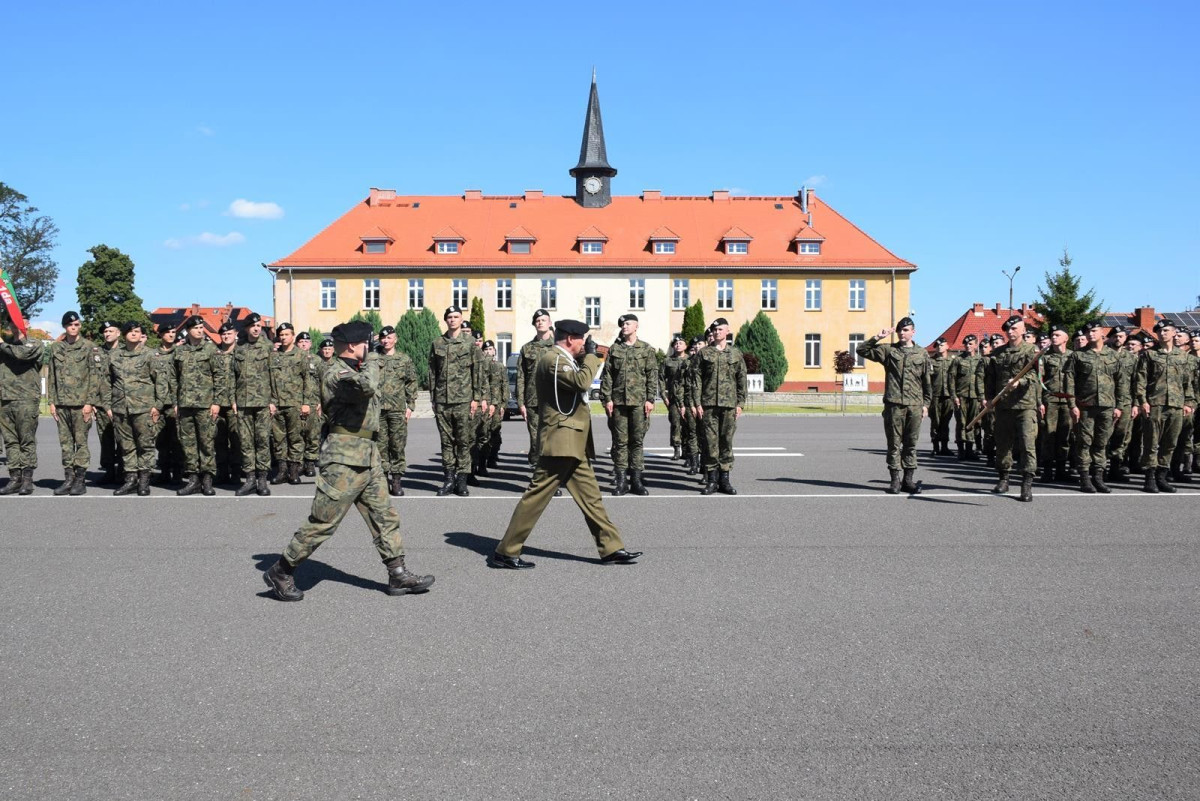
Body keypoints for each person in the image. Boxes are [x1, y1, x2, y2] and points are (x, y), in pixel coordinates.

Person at [262, 321, 434, 601]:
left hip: (368, 455)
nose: (371, 348)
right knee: (323, 522)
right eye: (368, 343)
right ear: (355, 345)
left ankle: (397, 573)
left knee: (385, 516)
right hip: (343, 460)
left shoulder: (356, 369)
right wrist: (374, 359)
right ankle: (281, 571)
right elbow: (367, 387)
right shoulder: (335, 373)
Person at [488, 319, 641, 569]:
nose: (584, 344)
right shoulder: (554, 359)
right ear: (570, 338)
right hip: (561, 441)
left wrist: (588, 356)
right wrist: (592, 356)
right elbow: (582, 382)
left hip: (572, 441)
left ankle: (611, 548)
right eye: (582, 339)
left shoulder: (563, 359)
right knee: (536, 498)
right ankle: (506, 551)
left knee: (591, 498)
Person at [856, 316, 931, 494]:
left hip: (915, 405)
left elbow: (927, 381)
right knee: (894, 444)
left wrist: (926, 404)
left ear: (913, 332)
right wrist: (878, 337)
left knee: (911, 444)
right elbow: (861, 350)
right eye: (899, 330)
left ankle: (908, 480)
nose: (901, 333)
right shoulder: (889, 350)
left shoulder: (922, 353)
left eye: (905, 330)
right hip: (894, 405)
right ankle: (895, 480)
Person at [1064, 320, 1128, 494]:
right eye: (1087, 332)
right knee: (1084, 442)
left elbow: (1121, 383)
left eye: (1094, 331)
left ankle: (1098, 477)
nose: (1090, 334)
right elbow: (1069, 382)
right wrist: (1072, 405)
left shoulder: (1113, 356)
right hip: (1085, 406)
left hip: (1107, 406)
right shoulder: (1078, 355)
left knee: (1102, 442)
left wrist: (1119, 406)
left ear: (1102, 332)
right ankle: (1085, 478)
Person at [1133, 319, 1196, 493]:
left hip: (1176, 405)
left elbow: (1187, 382)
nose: (1163, 333)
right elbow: (1140, 380)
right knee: (1151, 443)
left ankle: (1162, 476)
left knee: (1170, 443)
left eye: (1166, 330)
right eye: (1160, 331)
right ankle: (1150, 478)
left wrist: (1189, 402)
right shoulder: (1149, 354)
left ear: (1174, 332)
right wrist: (1143, 401)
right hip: (1155, 404)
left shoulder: (1183, 356)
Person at [599, 314, 659, 496]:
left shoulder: (646, 349)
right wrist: (607, 399)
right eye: (622, 324)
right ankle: (621, 481)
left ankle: (636, 481)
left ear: (636, 326)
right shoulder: (615, 349)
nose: (624, 326)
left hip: (639, 403)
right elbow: (607, 376)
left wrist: (650, 399)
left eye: (627, 323)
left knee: (637, 442)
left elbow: (652, 375)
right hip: (619, 403)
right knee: (620, 442)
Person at [984, 315, 1041, 502]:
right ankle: (1004, 478)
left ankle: (1026, 483)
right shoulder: (998, 353)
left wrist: (1020, 381)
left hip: (1025, 405)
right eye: (1008, 329)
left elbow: (1037, 376)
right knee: (1002, 444)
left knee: (1027, 444)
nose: (1011, 332)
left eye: (1015, 328)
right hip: (1003, 405)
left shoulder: (1032, 350)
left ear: (1023, 330)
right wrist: (989, 398)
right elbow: (990, 378)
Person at [109, 321, 169, 496]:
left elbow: (161, 382)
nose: (134, 334)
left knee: (145, 445)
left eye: (137, 331)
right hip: (121, 408)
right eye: (130, 331)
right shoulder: (114, 356)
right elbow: (107, 381)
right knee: (126, 446)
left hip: (144, 408)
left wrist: (158, 406)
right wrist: (108, 404)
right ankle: (130, 480)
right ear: (124, 334)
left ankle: (144, 481)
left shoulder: (150, 355)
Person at [46, 310, 102, 495]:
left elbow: (95, 377)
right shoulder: (56, 348)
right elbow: (52, 376)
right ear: (64, 326)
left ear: (80, 326)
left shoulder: (89, 347)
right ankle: (68, 479)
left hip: (81, 404)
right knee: (65, 444)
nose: (73, 327)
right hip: (61, 404)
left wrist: (90, 403)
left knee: (81, 443)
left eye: (76, 324)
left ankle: (80, 480)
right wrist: (51, 401)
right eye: (70, 325)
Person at [428, 305, 482, 497]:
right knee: (446, 442)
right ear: (446, 320)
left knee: (463, 441)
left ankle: (462, 481)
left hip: (464, 400)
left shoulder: (470, 343)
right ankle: (449, 479)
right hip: (442, 400)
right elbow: (432, 372)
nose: (452, 319)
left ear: (461, 319)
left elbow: (477, 371)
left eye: (456, 316)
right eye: (449, 317)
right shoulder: (437, 343)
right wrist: (433, 398)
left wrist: (477, 397)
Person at [690, 317, 748, 495]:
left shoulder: (735, 354)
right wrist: (697, 402)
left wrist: (740, 403)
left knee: (726, 442)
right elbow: (696, 379)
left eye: (720, 329)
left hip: (729, 405)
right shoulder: (704, 353)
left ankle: (725, 480)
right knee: (710, 443)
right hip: (708, 405)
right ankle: (712, 480)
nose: (717, 332)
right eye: (714, 330)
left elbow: (742, 379)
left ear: (727, 331)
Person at [173, 315, 224, 496]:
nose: (200, 330)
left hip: (205, 404)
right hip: (185, 404)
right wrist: (175, 402)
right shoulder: (179, 351)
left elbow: (219, 376)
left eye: (201, 327)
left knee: (206, 442)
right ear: (188, 330)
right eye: (196, 328)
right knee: (188, 444)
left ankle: (207, 479)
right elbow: (174, 378)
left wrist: (216, 402)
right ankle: (193, 480)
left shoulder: (210, 349)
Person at [0, 319, 45, 495]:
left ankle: (27, 479)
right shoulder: (5, 345)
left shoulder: (34, 343)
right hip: (5, 399)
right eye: (11, 322)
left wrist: (2, 344)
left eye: (19, 321)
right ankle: (14, 478)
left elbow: (21, 355)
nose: (14, 325)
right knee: (10, 441)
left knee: (26, 440)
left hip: (26, 399)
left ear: (26, 324)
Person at [374, 325, 418, 497]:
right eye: (383, 338)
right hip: (377, 409)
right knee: (380, 446)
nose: (386, 341)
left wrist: (411, 405)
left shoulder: (404, 359)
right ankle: (383, 479)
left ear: (395, 339)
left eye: (389, 338)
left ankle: (397, 480)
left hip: (397, 409)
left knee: (398, 445)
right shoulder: (374, 358)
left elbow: (411, 382)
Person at [233, 313, 274, 496]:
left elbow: (275, 376)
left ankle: (262, 480)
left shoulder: (268, 347)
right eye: (253, 326)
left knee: (263, 440)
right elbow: (232, 376)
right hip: (243, 402)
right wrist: (233, 400)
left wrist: (274, 401)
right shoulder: (239, 348)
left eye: (259, 325)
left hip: (263, 402)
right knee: (246, 442)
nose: (257, 328)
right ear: (246, 328)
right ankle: (250, 480)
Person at [269, 322, 312, 485]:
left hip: (295, 403)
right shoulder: (273, 356)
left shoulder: (301, 355)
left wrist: (306, 403)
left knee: (295, 438)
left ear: (293, 336)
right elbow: (268, 380)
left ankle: (293, 471)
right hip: (277, 403)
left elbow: (307, 380)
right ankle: (282, 471)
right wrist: (270, 401)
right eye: (281, 335)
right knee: (278, 439)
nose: (283, 337)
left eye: (286, 334)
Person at [516, 308, 555, 469]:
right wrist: (520, 403)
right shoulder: (527, 348)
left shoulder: (558, 347)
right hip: (533, 400)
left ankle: (550, 472)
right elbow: (521, 377)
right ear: (534, 324)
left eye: (543, 320)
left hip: (554, 401)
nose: (540, 323)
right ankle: (539, 470)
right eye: (537, 321)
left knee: (552, 438)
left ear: (549, 323)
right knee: (536, 438)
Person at [1039, 325, 1074, 483]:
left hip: (1068, 401)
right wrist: (1039, 401)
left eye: (1057, 335)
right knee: (1048, 435)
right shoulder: (1045, 358)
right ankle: (1047, 471)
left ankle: (1061, 470)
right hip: (1050, 400)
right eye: (1052, 335)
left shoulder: (1074, 357)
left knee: (1065, 436)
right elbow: (1039, 381)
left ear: (1066, 338)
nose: (1054, 337)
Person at [1105, 325, 1137, 483]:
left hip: (1126, 402)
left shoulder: (1132, 358)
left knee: (1122, 437)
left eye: (1121, 336)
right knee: (1103, 436)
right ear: (1110, 338)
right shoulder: (1104, 354)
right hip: (1106, 401)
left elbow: (1137, 382)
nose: (1118, 339)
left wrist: (1136, 404)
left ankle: (1115, 469)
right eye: (1115, 336)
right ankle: (1099, 468)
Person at [151, 324, 183, 486]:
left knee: (177, 440)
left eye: (173, 332)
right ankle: (164, 472)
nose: (171, 335)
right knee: (160, 440)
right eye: (167, 332)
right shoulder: (152, 355)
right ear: (161, 335)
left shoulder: (180, 353)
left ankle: (177, 473)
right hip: (158, 403)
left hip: (175, 403)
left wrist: (180, 402)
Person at [94, 320, 124, 485]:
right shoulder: (96, 352)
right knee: (105, 439)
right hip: (101, 403)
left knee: (123, 438)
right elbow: (92, 378)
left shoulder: (125, 351)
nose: (107, 334)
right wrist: (92, 402)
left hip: (122, 402)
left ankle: (123, 471)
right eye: (105, 332)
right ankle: (109, 471)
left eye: (111, 331)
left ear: (118, 333)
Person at [212, 321, 240, 485]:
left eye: (229, 333)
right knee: (219, 440)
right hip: (217, 404)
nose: (226, 336)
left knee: (236, 439)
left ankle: (236, 472)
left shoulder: (241, 353)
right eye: (223, 334)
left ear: (235, 334)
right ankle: (222, 472)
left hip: (235, 404)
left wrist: (237, 400)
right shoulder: (214, 354)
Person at [296, 331, 322, 476]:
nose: (304, 344)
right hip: (296, 401)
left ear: (310, 344)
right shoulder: (293, 359)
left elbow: (323, 381)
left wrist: (320, 402)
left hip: (313, 402)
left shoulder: (317, 361)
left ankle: (310, 462)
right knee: (298, 433)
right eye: (301, 342)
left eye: (306, 342)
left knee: (313, 433)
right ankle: (299, 462)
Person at [952, 334, 982, 460]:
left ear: (976, 345)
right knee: (961, 423)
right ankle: (961, 450)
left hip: (975, 396)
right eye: (966, 344)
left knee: (972, 423)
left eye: (970, 344)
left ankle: (969, 450)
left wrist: (982, 397)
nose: (968, 346)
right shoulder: (958, 360)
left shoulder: (980, 360)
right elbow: (951, 379)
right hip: (961, 396)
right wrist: (954, 396)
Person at [660, 335, 690, 461]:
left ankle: (686, 450)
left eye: (681, 343)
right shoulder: (667, 361)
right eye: (676, 343)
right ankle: (677, 448)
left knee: (688, 424)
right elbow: (661, 379)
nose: (678, 345)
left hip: (688, 397)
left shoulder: (690, 360)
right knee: (675, 423)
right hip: (673, 398)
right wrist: (664, 396)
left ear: (686, 346)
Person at [928, 337, 955, 456]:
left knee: (945, 422)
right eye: (937, 346)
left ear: (947, 346)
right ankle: (935, 447)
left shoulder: (953, 361)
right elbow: (927, 380)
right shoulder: (931, 361)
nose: (940, 347)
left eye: (942, 345)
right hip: (935, 396)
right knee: (935, 422)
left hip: (948, 396)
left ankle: (945, 447)